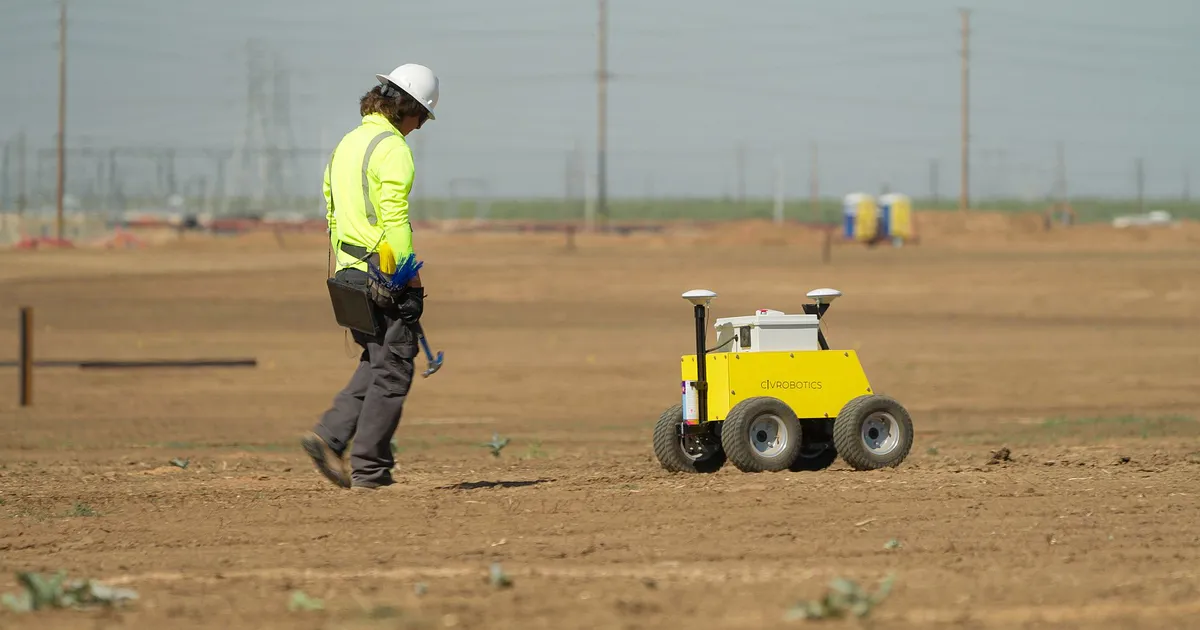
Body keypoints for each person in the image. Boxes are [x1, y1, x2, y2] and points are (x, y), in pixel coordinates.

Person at [301, 63, 440, 491]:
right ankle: (371, 469)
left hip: (349, 271)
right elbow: (394, 220)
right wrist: (409, 279)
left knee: (378, 359)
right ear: (409, 109)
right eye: (421, 117)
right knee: (394, 368)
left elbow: (330, 206)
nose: (419, 127)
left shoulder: (348, 143)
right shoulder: (393, 148)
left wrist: (348, 266)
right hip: (383, 273)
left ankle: (330, 435)